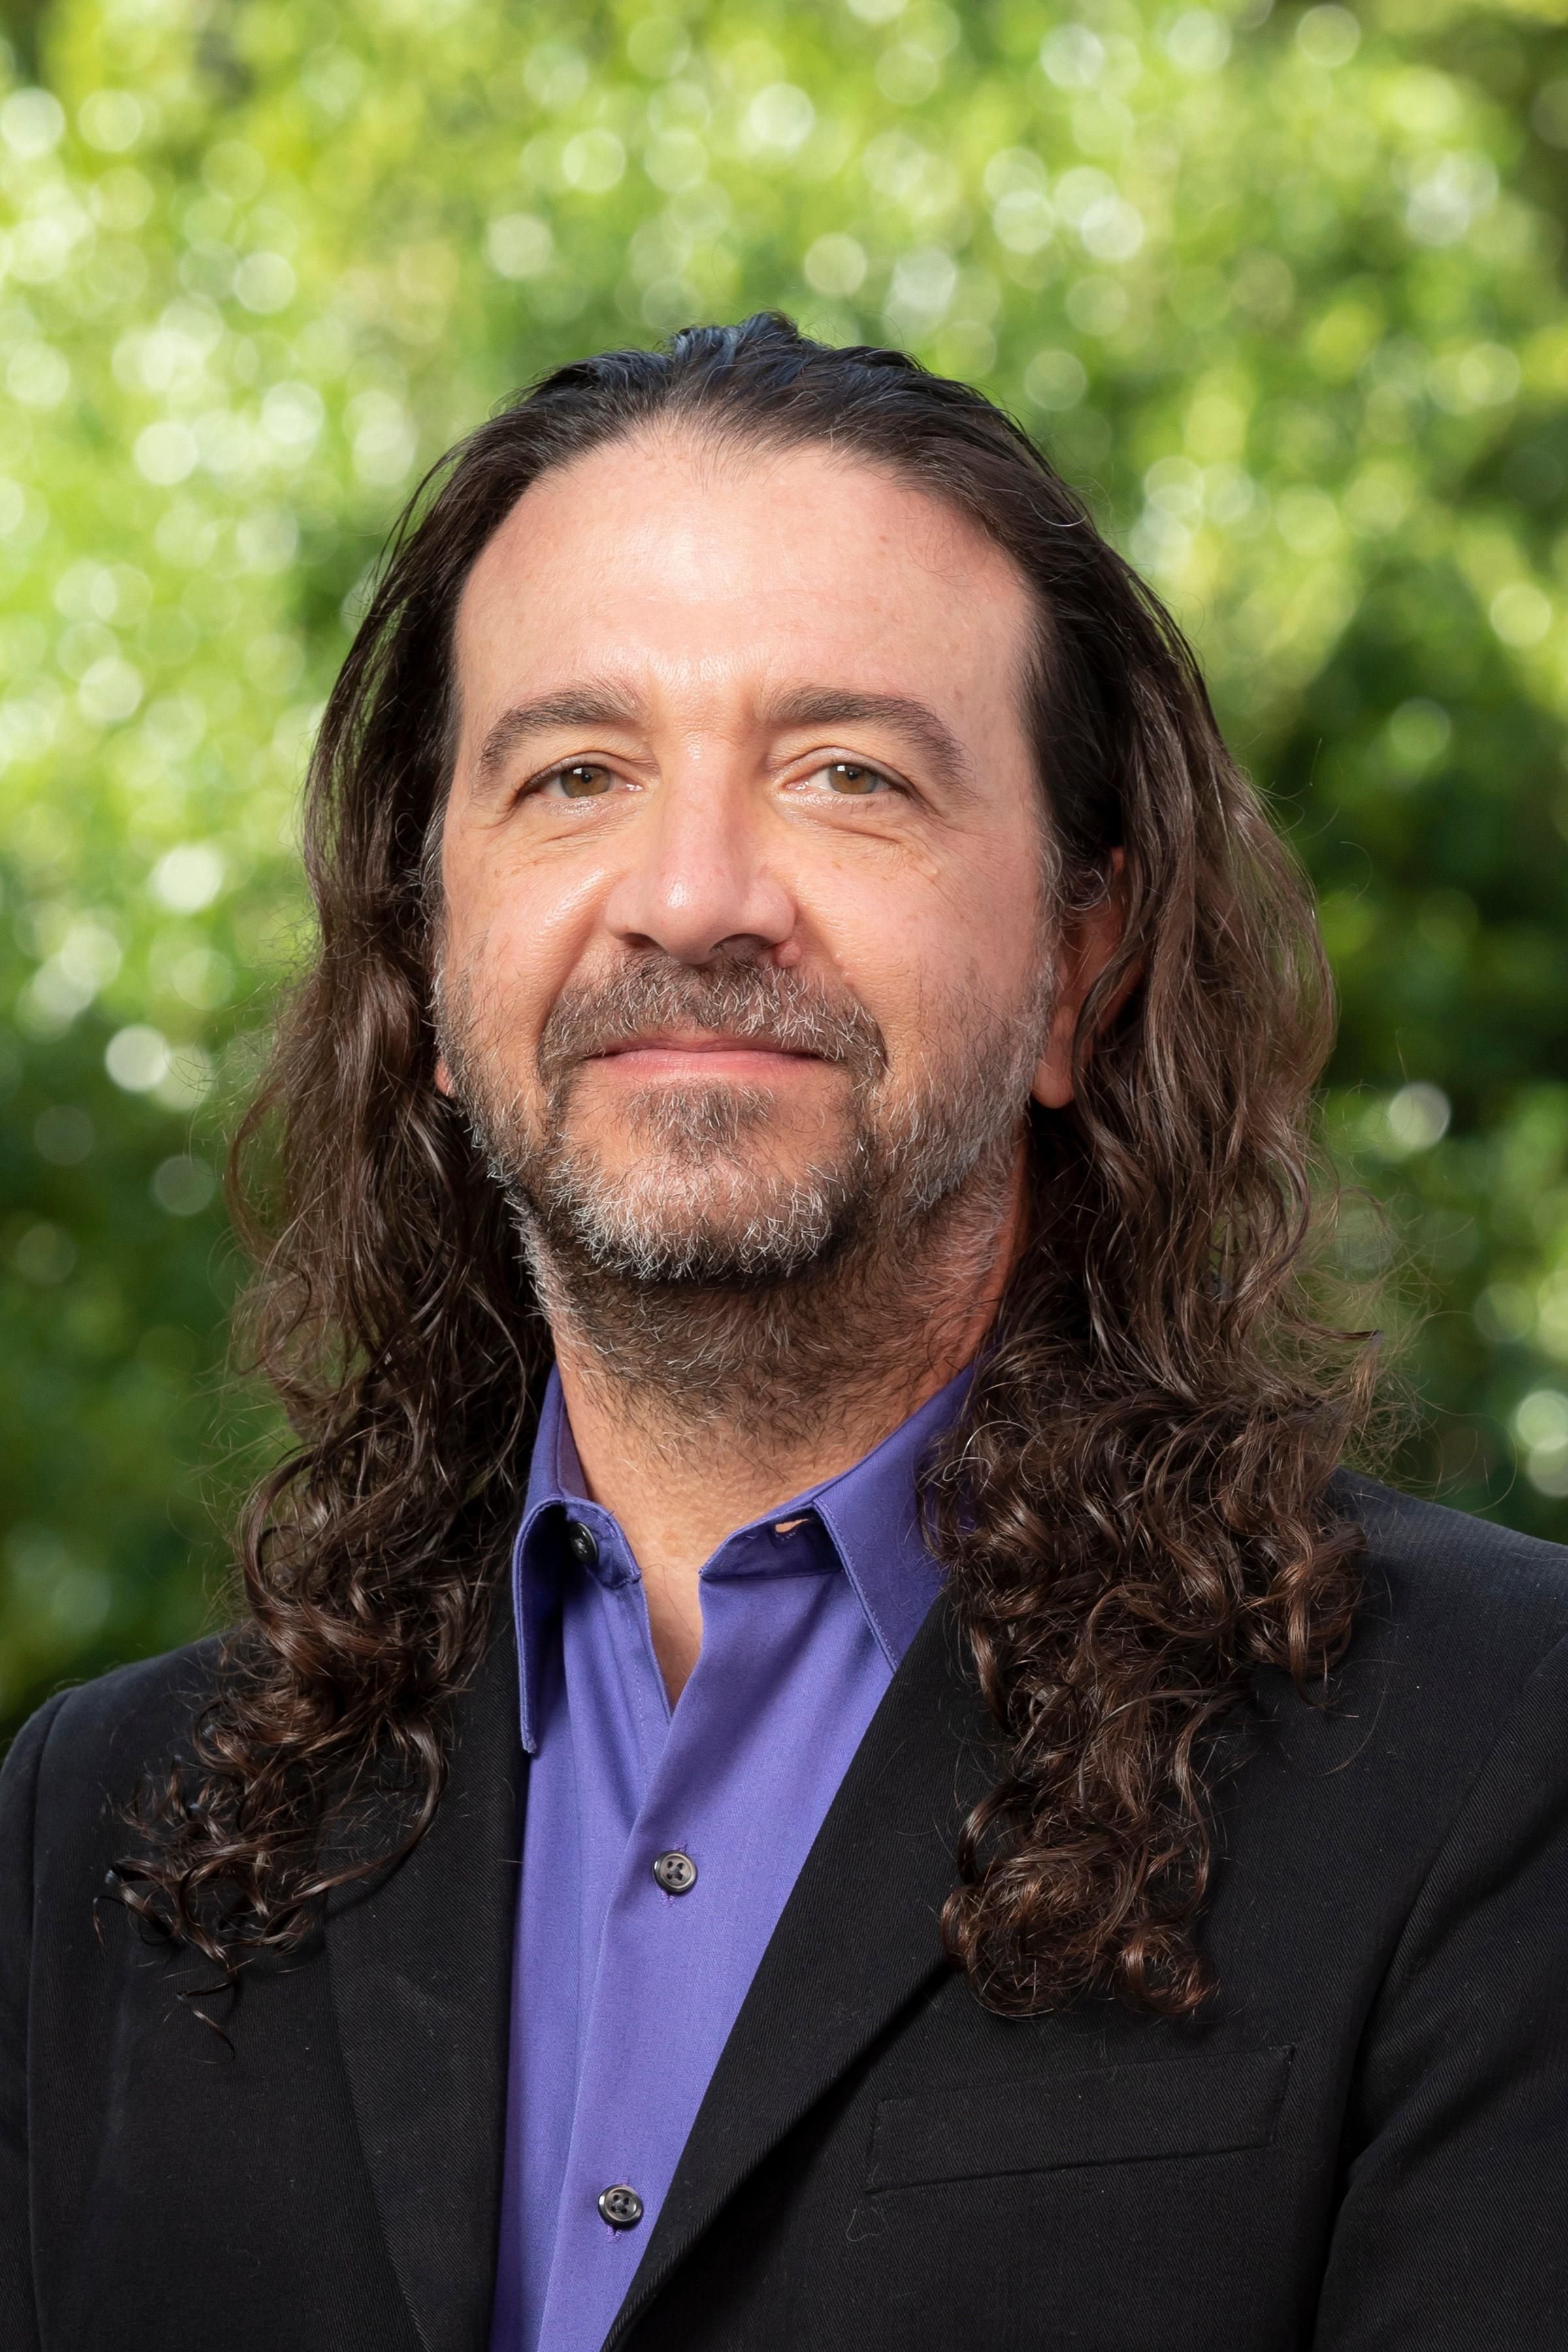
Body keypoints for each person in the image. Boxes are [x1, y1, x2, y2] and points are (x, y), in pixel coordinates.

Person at [3, 314, 1565, 2352]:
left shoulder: (1498, 1758)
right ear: (429, 957)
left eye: (849, 775)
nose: (693, 897)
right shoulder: (102, 1828)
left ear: (1080, 967)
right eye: (577, 774)